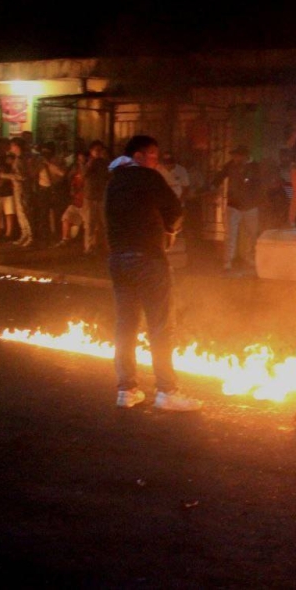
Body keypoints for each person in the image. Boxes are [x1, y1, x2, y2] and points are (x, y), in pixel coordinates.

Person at [105, 135, 201, 411]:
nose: (156, 162)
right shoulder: (149, 178)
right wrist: (170, 229)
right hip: (147, 258)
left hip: (118, 259)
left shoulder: (113, 182)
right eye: (153, 157)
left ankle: (126, 390)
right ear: (138, 156)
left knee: (125, 326)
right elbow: (175, 209)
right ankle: (166, 392)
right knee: (160, 326)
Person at [211, 145, 263, 271]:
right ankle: (228, 262)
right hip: (234, 205)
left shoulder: (255, 167)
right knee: (230, 234)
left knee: (252, 235)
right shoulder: (230, 165)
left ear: (244, 156)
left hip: (250, 206)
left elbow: (259, 185)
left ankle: (251, 259)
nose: (234, 158)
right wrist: (213, 188)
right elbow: (219, 177)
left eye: (237, 156)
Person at [54, 150, 88, 247]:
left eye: (83, 159)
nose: (81, 161)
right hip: (76, 202)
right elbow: (69, 181)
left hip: (86, 203)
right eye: (79, 159)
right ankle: (65, 239)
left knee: (89, 225)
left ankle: (89, 244)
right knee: (66, 217)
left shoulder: (89, 170)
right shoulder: (74, 171)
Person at [82, 140, 110, 255]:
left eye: (101, 150)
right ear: (91, 151)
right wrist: (91, 162)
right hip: (90, 197)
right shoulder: (89, 162)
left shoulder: (105, 163)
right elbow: (84, 174)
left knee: (105, 223)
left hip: (102, 196)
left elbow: (110, 176)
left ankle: (107, 246)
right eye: (96, 150)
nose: (99, 152)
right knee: (90, 223)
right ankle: (89, 247)